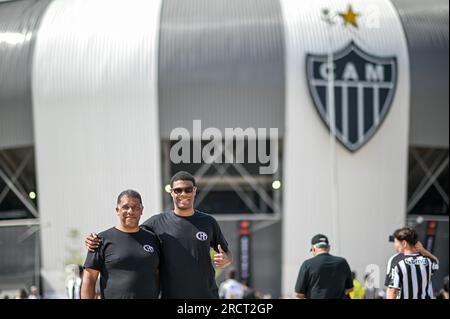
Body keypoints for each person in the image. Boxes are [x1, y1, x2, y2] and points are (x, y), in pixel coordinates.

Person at [86, 171, 232, 298]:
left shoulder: (208, 222)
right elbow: (127, 233)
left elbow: (227, 253)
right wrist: (96, 240)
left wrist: (226, 259)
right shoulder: (156, 223)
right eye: (178, 190)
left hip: (206, 297)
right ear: (172, 192)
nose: (183, 194)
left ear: (194, 190)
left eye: (188, 189)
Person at [81, 190, 160, 299]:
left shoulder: (153, 239)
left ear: (141, 210)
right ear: (117, 210)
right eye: (125, 207)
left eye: (135, 207)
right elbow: (89, 279)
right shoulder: (101, 239)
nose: (130, 211)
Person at [386, 227, 439, 299]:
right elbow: (436, 262)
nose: (395, 245)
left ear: (404, 243)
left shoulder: (397, 262)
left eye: (396, 242)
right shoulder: (428, 261)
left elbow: (393, 290)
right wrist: (423, 250)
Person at [295, 234, 353, 299]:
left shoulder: (307, 264)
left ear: (313, 249)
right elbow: (350, 289)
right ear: (328, 248)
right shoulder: (342, 262)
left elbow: (299, 294)